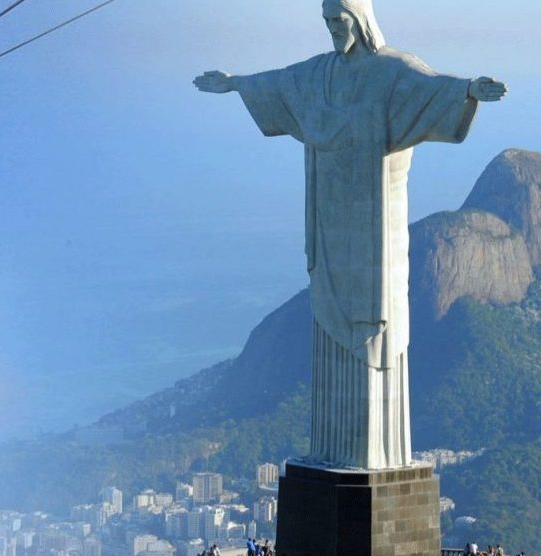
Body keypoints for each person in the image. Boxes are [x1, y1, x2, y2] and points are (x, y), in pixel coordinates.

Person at [194, 0, 506, 469]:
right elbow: (281, 83)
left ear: (359, 18)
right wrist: (236, 83)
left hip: (375, 232)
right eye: (325, 22)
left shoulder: (392, 72)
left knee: (376, 330)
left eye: (337, 20)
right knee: (329, 329)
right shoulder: (321, 75)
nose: (331, 30)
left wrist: (468, 90)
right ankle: (333, 450)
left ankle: (375, 453)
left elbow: (430, 89)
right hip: (330, 226)